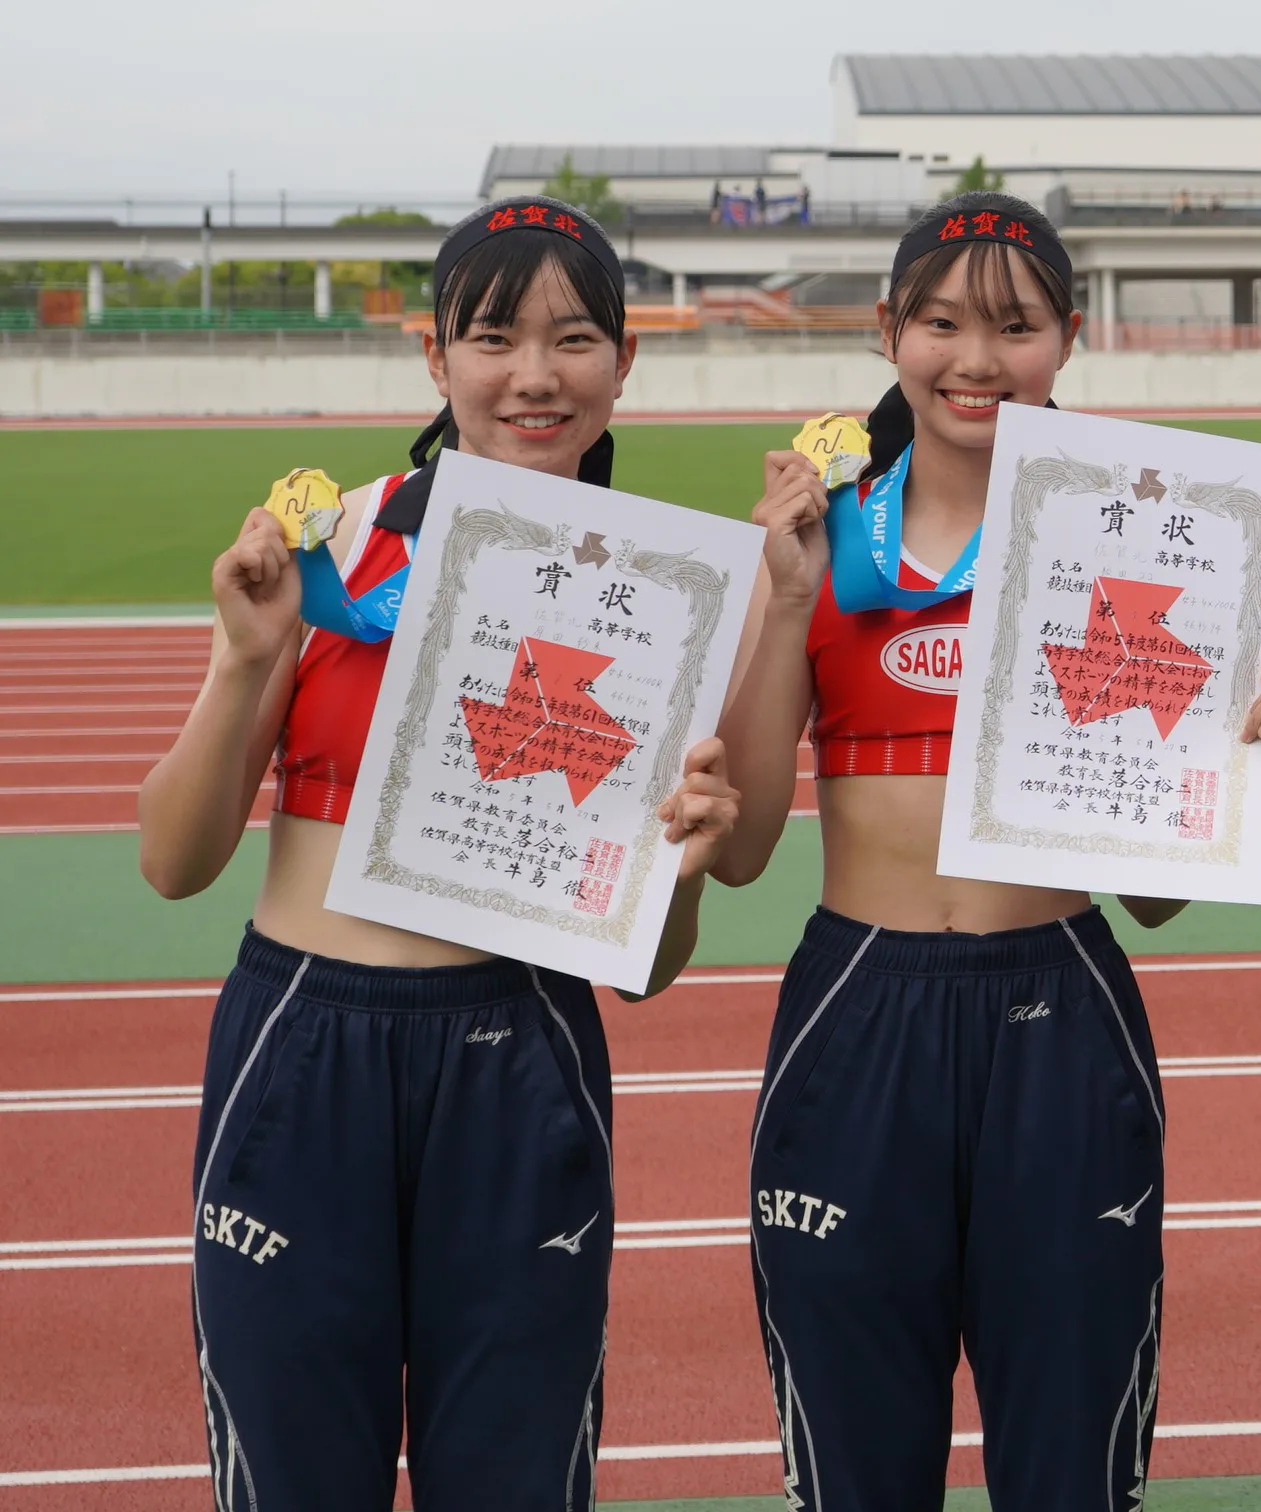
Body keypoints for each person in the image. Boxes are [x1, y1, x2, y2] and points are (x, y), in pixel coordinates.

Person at [136, 196, 741, 1509]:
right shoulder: (327, 547)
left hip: (520, 1051)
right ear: (434, 359)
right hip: (307, 1044)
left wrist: (681, 874)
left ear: (625, 362)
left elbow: (645, 972)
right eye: (493, 338)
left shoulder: (671, 603)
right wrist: (248, 662)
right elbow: (175, 861)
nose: (535, 376)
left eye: (575, 338)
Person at [711, 190, 1261, 1512]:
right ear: (887, 332)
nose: (974, 359)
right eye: (938, 323)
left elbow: (1153, 896)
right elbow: (745, 847)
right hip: (857, 1010)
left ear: (1068, 338)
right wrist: (785, 599)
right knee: (858, 1469)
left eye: (1013, 327)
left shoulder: (1143, 534)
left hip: (1062, 1007)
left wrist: (1241, 763)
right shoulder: (818, 530)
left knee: (1074, 1467)